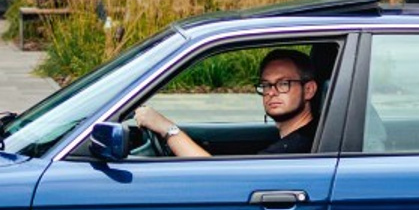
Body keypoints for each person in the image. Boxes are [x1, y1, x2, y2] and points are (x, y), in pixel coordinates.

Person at [132, 48, 320, 158]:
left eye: (283, 84)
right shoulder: (305, 137)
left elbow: (215, 176)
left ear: (309, 89)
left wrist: (167, 129)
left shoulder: (296, 149)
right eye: (266, 84)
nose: (271, 92)